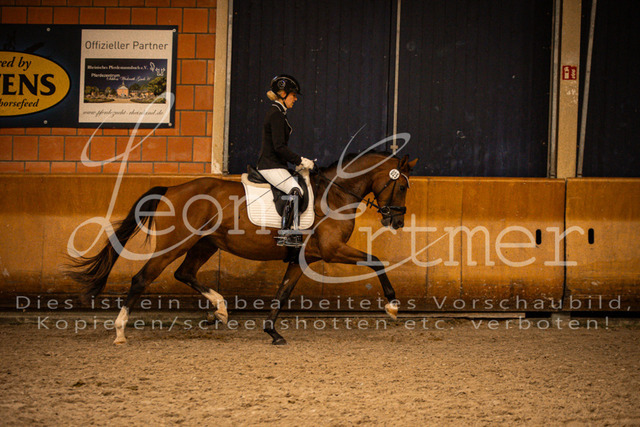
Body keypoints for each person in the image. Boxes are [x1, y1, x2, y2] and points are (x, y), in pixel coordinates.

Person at [257, 74, 315, 247]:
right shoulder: (276, 114)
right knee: (295, 190)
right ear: (283, 94)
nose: (295, 99)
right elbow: (279, 147)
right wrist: (300, 160)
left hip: (276, 164)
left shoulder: (279, 113)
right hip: (270, 165)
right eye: (293, 95)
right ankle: (286, 233)